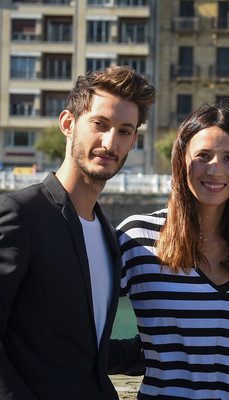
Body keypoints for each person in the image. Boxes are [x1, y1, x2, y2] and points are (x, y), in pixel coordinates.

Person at [0, 65, 156, 399]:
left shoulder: (109, 236)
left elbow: (84, 348)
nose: (110, 141)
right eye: (100, 124)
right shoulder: (20, 215)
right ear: (68, 124)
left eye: (124, 131)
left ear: (133, 141)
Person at [117, 104, 229, 399]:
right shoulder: (138, 238)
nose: (216, 169)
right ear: (180, 159)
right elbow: (79, 322)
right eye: (203, 156)